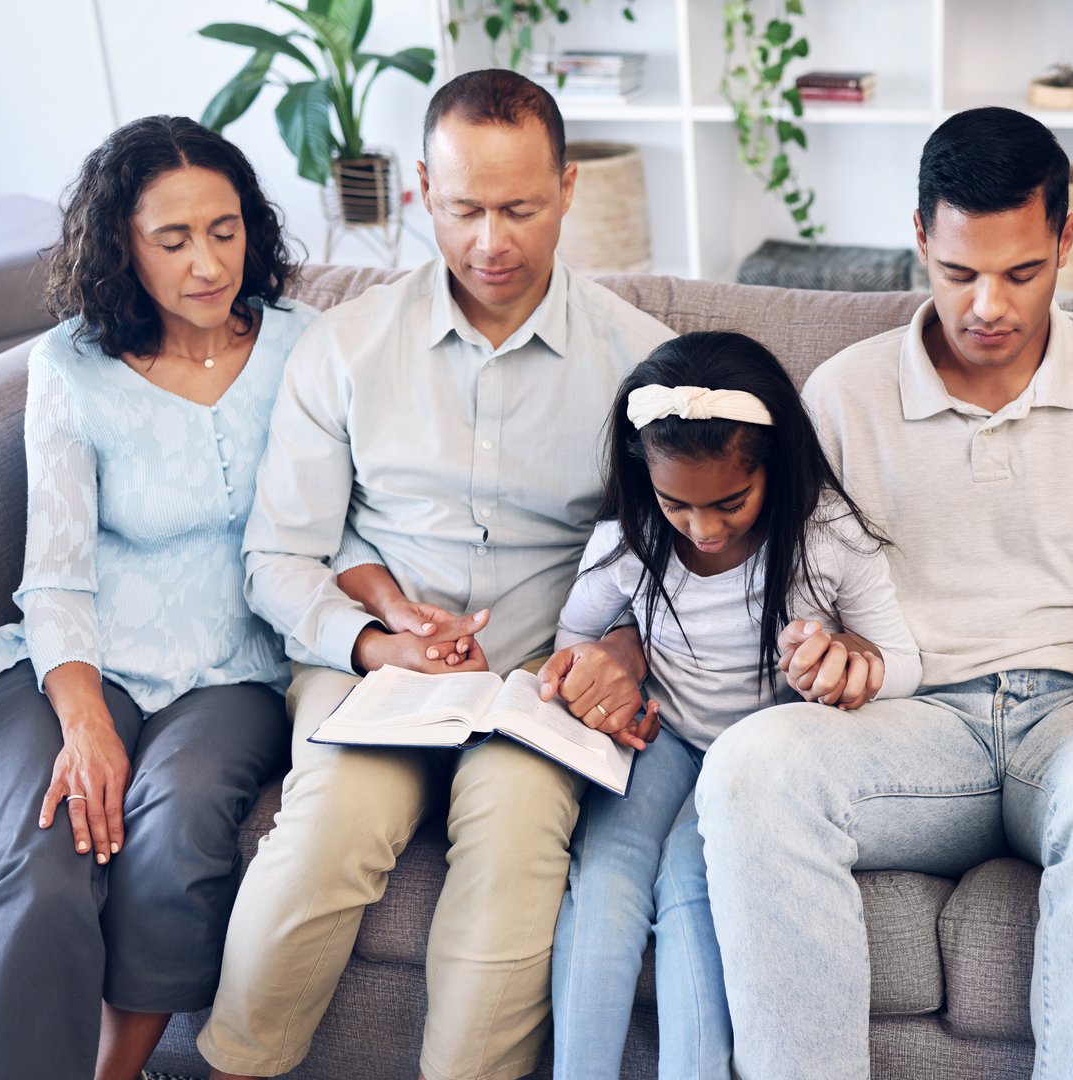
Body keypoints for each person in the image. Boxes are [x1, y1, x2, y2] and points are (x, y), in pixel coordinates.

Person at [692, 106, 1073, 1080]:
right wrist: (827, 654)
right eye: (958, 272)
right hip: (908, 725)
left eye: (1021, 273)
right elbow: (805, 595)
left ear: (1065, 239)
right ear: (919, 237)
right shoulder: (841, 395)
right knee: (752, 768)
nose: (987, 308)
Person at [198, 69, 674, 1080]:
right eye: (462, 209)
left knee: (512, 857)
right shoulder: (345, 345)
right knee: (320, 833)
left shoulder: (645, 367)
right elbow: (278, 557)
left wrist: (619, 654)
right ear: (419, 190)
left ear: (568, 189)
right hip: (374, 673)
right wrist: (374, 644)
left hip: (537, 682)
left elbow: (677, 563)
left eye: (519, 209)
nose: (489, 242)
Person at [0, 115, 314, 1080]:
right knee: (45, 856)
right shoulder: (67, 368)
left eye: (224, 230)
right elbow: (52, 569)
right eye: (172, 240)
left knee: (172, 837)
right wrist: (86, 720)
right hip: (76, 655)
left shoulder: (312, 349)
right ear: (121, 248)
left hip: (238, 669)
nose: (208, 264)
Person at [550, 331, 922, 1078]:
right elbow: (572, 640)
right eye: (675, 503)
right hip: (662, 741)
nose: (704, 529)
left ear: (773, 469)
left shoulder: (826, 538)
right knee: (605, 880)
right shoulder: (631, 537)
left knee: (691, 886)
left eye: (729, 502)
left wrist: (854, 662)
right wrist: (608, 664)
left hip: (751, 766)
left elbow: (906, 663)